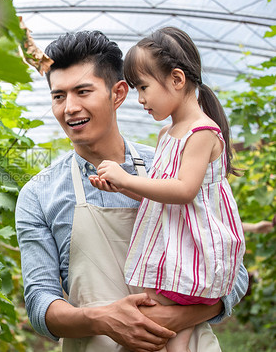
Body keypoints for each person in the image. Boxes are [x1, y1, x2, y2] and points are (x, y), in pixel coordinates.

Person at [15, 30, 249, 352]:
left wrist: (173, 319)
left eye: (83, 91)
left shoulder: (174, 163)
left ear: (119, 93)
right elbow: (41, 304)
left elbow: (231, 271)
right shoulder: (39, 194)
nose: (69, 108)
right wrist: (103, 319)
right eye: (58, 96)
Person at [87, 27, 246, 352]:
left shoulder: (202, 132)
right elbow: (157, 195)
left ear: (176, 79)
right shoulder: (167, 134)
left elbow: (184, 190)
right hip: (173, 251)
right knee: (175, 338)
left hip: (189, 254)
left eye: (143, 87)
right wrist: (120, 184)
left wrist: (127, 177)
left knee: (153, 325)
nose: (141, 99)